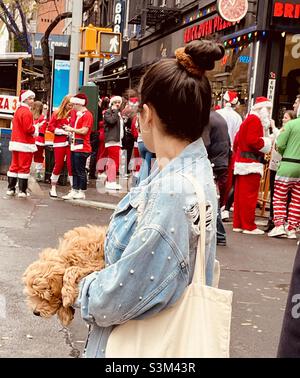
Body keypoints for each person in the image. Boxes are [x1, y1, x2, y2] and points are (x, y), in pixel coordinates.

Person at [74, 39, 224, 357]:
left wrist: (79, 285)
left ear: (148, 114)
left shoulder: (174, 190)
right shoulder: (191, 174)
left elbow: (115, 298)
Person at [233, 96, 273, 234]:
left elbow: (237, 140)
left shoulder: (248, 119)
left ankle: (238, 223)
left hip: (242, 161)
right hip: (251, 163)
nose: (268, 112)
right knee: (249, 197)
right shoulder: (255, 120)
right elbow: (253, 140)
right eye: (267, 109)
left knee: (240, 196)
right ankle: (248, 225)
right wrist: (267, 143)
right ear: (262, 109)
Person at [268, 98, 300, 239]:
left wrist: (283, 151)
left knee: (279, 196)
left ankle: (279, 225)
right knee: (297, 199)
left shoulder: (291, 125)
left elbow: (279, 143)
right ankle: (292, 227)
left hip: (287, 164)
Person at [203, 110, 231, 246]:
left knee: (210, 198)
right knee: (212, 197)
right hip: (221, 160)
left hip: (212, 161)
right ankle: (219, 234)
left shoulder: (207, 119)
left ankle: (220, 234)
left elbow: (205, 143)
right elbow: (229, 142)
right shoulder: (219, 118)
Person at [217, 90, 243, 221]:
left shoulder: (217, 114)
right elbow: (237, 136)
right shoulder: (238, 117)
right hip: (230, 150)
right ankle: (223, 207)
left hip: (215, 149)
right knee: (227, 180)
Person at [63, 93, 93, 200]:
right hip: (76, 145)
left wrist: (71, 130)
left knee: (80, 170)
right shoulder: (79, 114)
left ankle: (81, 191)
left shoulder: (87, 115)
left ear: (79, 104)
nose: (72, 106)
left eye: (74, 104)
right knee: (75, 169)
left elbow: (84, 131)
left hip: (83, 147)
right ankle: (75, 189)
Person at [7, 89, 37, 198]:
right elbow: (28, 129)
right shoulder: (27, 112)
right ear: (25, 99)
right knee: (24, 167)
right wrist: (36, 129)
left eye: (32, 98)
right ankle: (22, 191)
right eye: (30, 99)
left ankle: (11, 188)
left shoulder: (18, 110)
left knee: (14, 166)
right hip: (25, 143)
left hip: (16, 142)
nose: (32, 101)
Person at [47, 95, 73, 198]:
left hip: (71, 143)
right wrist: (61, 131)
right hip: (59, 141)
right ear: (65, 103)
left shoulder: (75, 114)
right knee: (59, 164)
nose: (70, 107)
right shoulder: (57, 113)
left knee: (71, 165)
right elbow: (50, 127)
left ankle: (73, 188)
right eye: (69, 105)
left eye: (72, 105)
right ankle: (53, 187)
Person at [103, 96, 124, 190]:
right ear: (111, 103)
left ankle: (109, 181)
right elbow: (111, 121)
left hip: (117, 140)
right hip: (112, 140)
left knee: (113, 161)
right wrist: (115, 111)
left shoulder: (117, 113)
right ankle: (111, 181)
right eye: (115, 102)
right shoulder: (108, 112)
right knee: (113, 161)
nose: (117, 104)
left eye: (119, 102)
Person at [32, 101, 47, 181]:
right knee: (39, 157)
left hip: (31, 139)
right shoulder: (43, 117)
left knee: (28, 157)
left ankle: (25, 173)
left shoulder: (30, 116)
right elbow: (43, 129)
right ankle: (38, 174)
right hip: (40, 140)